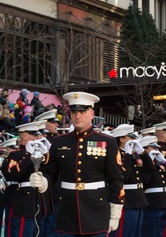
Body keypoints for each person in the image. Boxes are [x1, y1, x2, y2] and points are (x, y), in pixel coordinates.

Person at [32, 91, 124, 236]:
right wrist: (42, 181)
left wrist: (115, 212)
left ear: (92, 113)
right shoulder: (59, 142)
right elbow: (51, 172)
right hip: (67, 212)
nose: (78, 116)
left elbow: (116, 179)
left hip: (97, 212)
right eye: (74, 111)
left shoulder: (107, 142)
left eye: (82, 111)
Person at [1, 121, 48, 236]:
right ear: (24, 136)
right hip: (23, 199)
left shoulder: (41, 152)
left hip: (37, 198)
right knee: (23, 231)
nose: (37, 137)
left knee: (37, 231)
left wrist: (48, 151)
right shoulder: (16, 155)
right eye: (34, 134)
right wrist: (29, 155)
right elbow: (13, 174)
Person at [110, 124, 153, 237]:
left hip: (138, 198)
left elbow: (150, 169)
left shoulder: (134, 155)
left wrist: (142, 153)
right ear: (122, 139)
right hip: (127, 199)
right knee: (124, 233)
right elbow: (125, 176)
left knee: (136, 233)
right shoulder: (116, 154)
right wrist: (128, 155)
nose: (134, 141)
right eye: (131, 138)